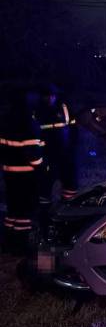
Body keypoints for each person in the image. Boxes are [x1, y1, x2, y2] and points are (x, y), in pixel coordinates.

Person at [1, 87, 44, 255]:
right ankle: (22, 245)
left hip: (9, 172)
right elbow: (32, 152)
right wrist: (41, 167)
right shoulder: (28, 123)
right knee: (25, 210)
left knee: (12, 208)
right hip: (26, 175)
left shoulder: (5, 120)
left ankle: (8, 241)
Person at [35, 83, 79, 203]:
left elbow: (74, 128)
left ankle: (68, 205)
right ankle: (44, 210)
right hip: (47, 154)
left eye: (52, 96)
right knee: (45, 183)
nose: (50, 98)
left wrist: (73, 147)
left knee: (70, 181)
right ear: (42, 97)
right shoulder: (37, 111)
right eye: (47, 96)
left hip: (65, 152)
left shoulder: (65, 108)